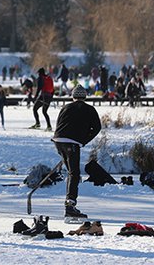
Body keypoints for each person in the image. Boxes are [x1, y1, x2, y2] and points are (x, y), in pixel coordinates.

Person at [51, 85, 101, 219]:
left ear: (73, 97)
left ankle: (70, 202)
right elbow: (97, 127)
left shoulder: (66, 107)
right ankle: (70, 205)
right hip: (71, 142)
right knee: (74, 173)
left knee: (72, 173)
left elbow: (58, 124)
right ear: (84, 97)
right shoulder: (89, 109)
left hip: (58, 140)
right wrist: (84, 140)